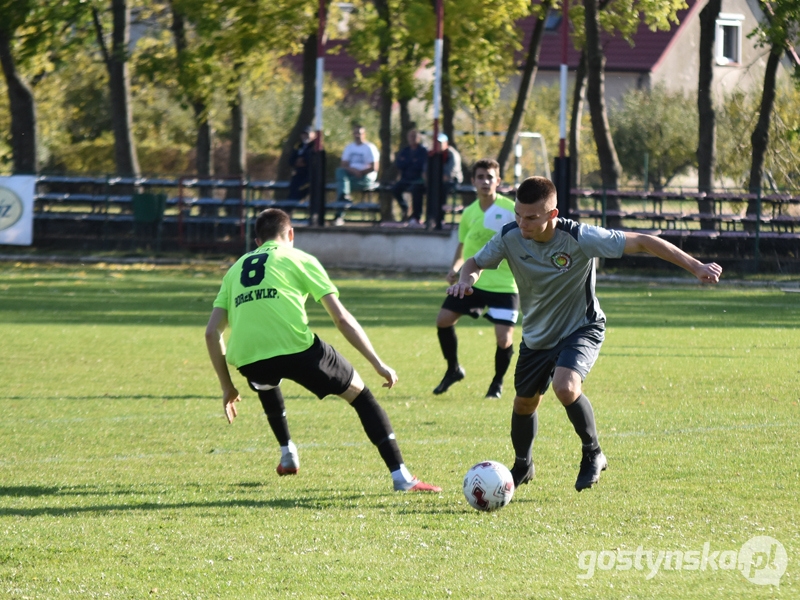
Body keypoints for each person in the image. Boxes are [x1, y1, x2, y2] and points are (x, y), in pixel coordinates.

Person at [447, 176, 722, 492]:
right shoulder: (510, 236)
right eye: (519, 215)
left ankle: (593, 453)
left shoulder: (580, 237)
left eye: (532, 217)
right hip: (537, 335)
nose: (523, 223)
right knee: (524, 403)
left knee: (565, 386)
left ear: (552, 214)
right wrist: (466, 280)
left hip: (582, 327)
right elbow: (474, 262)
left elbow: (645, 241)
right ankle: (523, 465)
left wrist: (697, 266)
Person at [205, 208, 441, 493]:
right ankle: (402, 478)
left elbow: (211, 332)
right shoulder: (299, 258)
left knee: (265, 381)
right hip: (297, 349)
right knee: (362, 396)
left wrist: (227, 387)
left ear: (257, 241)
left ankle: (288, 454)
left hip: (248, 358)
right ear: (291, 234)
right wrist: (378, 363)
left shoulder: (233, 271)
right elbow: (341, 318)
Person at [433, 158, 518, 400]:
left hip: (504, 285)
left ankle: (497, 383)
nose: (485, 181)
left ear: (498, 181)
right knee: (443, 320)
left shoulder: (511, 210)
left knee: (504, 339)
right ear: (473, 181)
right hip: (472, 282)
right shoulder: (469, 213)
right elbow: (463, 246)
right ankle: (453, 369)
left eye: (490, 177)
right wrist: (454, 268)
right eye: (480, 177)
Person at [333, 124, 381, 226]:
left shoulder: (370, 147)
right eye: (355, 133)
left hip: (365, 178)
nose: (357, 135)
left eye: (359, 133)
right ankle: (343, 200)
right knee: (340, 172)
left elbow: (374, 167)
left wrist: (361, 172)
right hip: (351, 176)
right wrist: (353, 170)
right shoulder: (349, 147)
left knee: (342, 186)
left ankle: (339, 215)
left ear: (364, 134)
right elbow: (343, 165)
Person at [426, 133, 463, 230]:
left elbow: (449, 174)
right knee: (418, 189)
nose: (438, 146)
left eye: (440, 143)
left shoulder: (452, 155)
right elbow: (425, 170)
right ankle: (425, 217)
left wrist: (435, 179)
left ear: (446, 143)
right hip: (436, 182)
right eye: (437, 143)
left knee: (440, 190)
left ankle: (439, 219)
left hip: (452, 182)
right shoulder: (432, 154)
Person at [392, 128, 428, 225]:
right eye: (410, 136)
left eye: (414, 136)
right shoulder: (405, 151)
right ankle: (405, 207)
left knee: (416, 190)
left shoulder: (423, 151)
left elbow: (422, 167)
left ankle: (416, 216)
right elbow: (399, 164)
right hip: (405, 179)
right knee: (395, 188)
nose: (412, 138)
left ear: (419, 138)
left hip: (418, 180)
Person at [286, 126, 316, 201]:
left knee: (304, 188)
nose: (305, 136)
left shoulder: (314, 147)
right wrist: (296, 162)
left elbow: (313, 161)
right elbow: (291, 160)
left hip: (309, 175)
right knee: (293, 189)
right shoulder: (298, 146)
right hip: (299, 174)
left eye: (307, 134)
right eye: (303, 134)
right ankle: (290, 206)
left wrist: (304, 161)